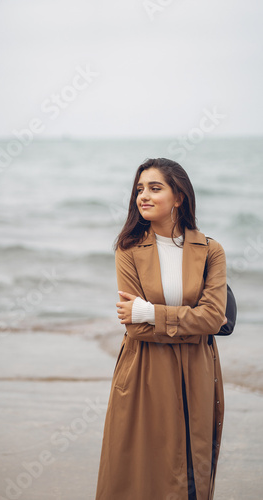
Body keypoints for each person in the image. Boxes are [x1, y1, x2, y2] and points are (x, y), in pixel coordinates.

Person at [95, 158, 228, 500]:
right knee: (137, 471)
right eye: (140, 189)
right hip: (143, 370)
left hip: (197, 369)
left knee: (189, 472)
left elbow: (214, 318)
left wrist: (150, 312)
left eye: (155, 188)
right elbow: (136, 329)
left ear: (179, 196)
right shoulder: (127, 249)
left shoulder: (211, 251)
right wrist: (188, 322)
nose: (144, 196)